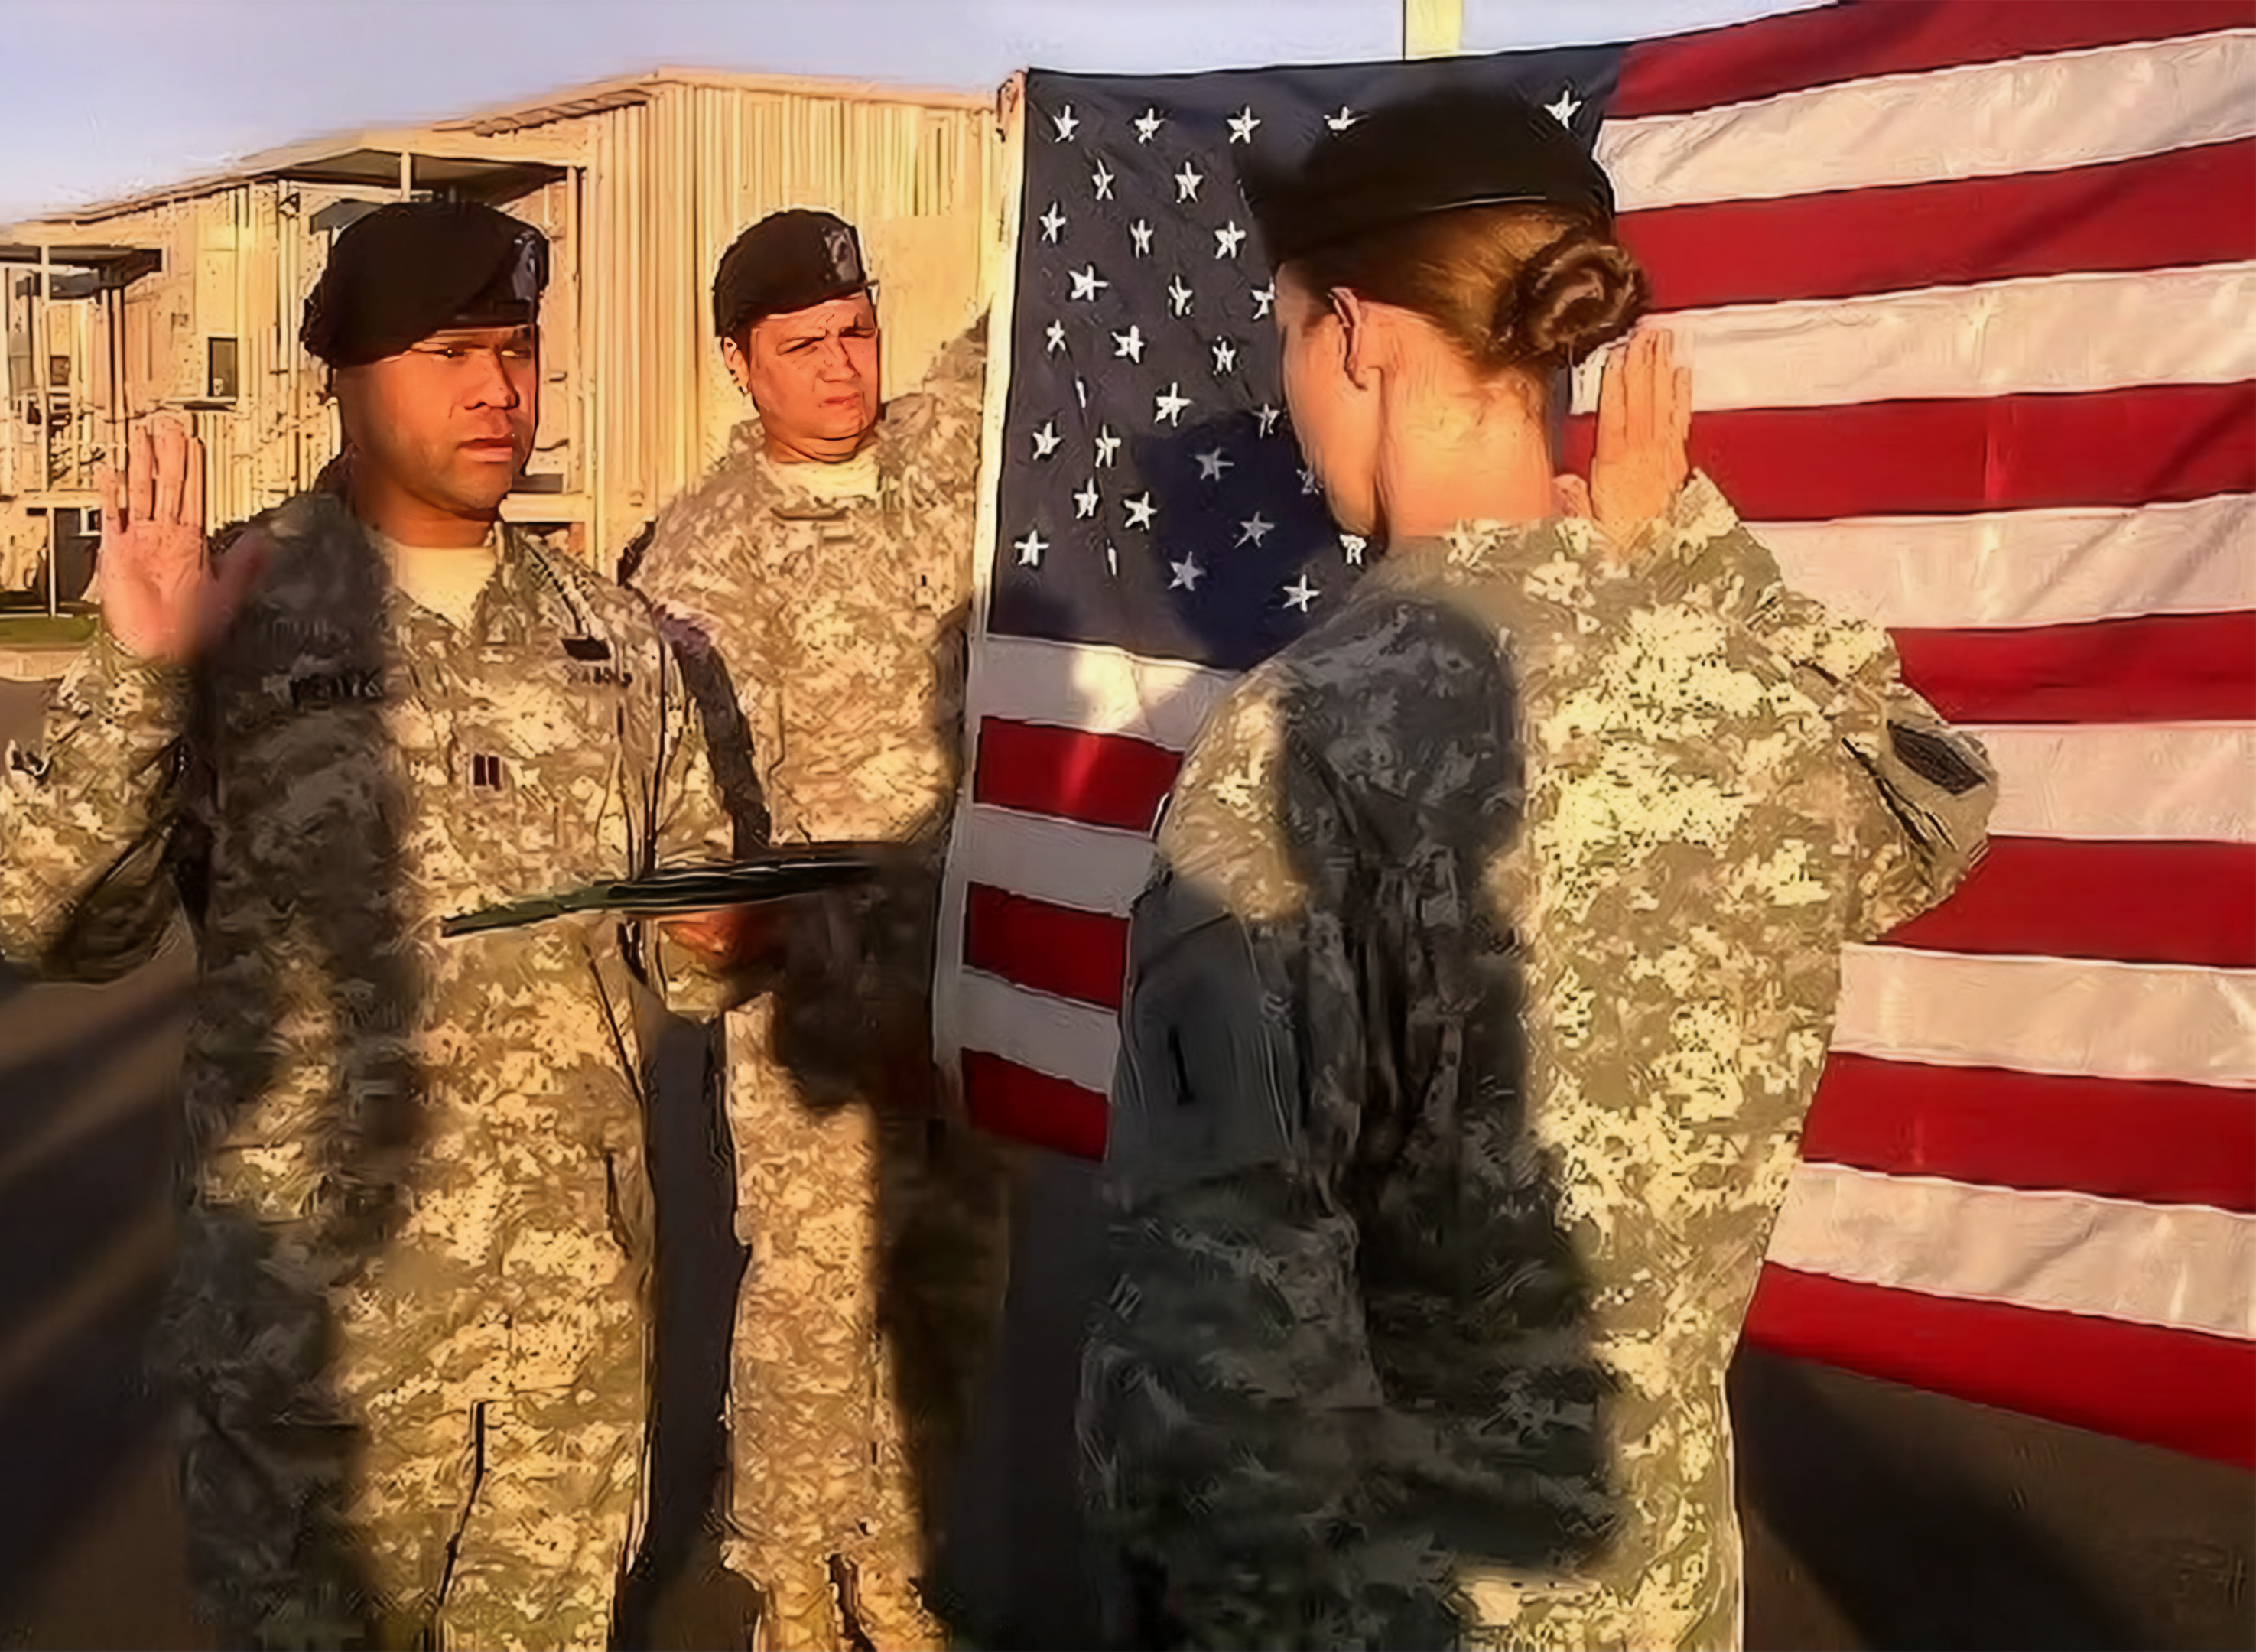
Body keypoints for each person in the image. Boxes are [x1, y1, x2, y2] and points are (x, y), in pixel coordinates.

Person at [1074, 87, 1998, 1650]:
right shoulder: (1739, 695)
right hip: (1661, 1596)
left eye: (1288, 337)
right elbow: (1934, 806)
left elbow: (1212, 1338)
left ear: (1357, 336)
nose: (1290, 394)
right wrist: (1681, 547)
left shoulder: (1304, 738)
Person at [0, 197, 743, 1649]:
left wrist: (718, 941)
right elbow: (52, 926)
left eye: (517, 349)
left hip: (565, 1341)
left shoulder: (614, 639)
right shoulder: (233, 611)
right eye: (451, 354)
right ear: (343, 373)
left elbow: (683, 940)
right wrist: (139, 679)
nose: (499, 390)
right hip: (315, 1345)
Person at [623, 208, 1009, 1650]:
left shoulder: (935, 458)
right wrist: (855, 1006)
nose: (844, 368)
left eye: (857, 332)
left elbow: (1022, 335)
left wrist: (1048, 140)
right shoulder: (704, 558)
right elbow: (707, 836)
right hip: (822, 1003)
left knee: (952, 1286)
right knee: (818, 1295)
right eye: (804, 346)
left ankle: (893, 1564)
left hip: (976, 971)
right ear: (739, 363)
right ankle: (789, 1574)